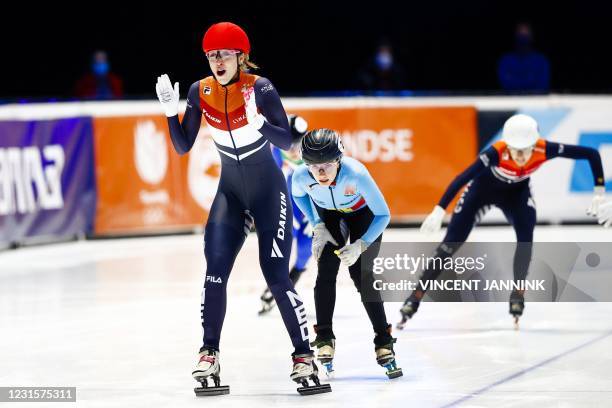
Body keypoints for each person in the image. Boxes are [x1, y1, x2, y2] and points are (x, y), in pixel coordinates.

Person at [155, 22, 329, 395]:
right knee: (214, 270)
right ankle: (208, 352)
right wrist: (171, 112)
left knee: (276, 276)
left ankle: (303, 356)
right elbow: (184, 146)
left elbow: (287, 142)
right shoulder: (198, 90)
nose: (217, 61)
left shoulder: (260, 88)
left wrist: (261, 123)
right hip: (230, 193)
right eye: (211, 55)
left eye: (224, 54)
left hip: (268, 192)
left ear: (241, 56)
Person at [398, 114, 606, 329]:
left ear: (535, 144)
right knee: (450, 244)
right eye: (516, 150)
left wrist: (599, 190)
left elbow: (591, 153)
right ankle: (415, 295)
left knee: (526, 239)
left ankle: (518, 293)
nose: (521, 157)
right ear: (507, 145)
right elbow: (462, 178)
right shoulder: (495, 152)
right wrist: (439, 209)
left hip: (516, 195)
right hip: (481, 192)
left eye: (526, 150)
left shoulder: (545, 149)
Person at [291, 129, 402, 379]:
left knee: (361, 274)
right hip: (330, 216)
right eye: (314, 166)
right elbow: (298, 195)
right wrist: (316, 222)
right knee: (326, 270)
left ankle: (384, 339)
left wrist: (361, 244)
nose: (321, 172)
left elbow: (384, 215)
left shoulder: (356, 174)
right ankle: (324, 336)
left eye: (328, 165)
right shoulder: (300, 177)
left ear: (339, 160)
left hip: (365, 217)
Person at [259, 114, 313, 315]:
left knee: (305, 254)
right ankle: (274, 289)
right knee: (282, 249)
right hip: (290, 205)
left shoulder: (315, 152)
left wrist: (317, 216)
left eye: (296, 144)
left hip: (309, 210)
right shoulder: (277, 149)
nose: (290, 149)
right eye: (286, 144)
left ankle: (279, 290)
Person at [498, 23, 550, 93]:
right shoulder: (505, 60)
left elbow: (543, 85)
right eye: (520, 35)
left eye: (526, 35)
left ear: (531, 37)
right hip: (511, 101)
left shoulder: (541, 60)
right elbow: (506, 84)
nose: (523, 38)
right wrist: (530, 81)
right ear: (515, 36)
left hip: (536, 101)